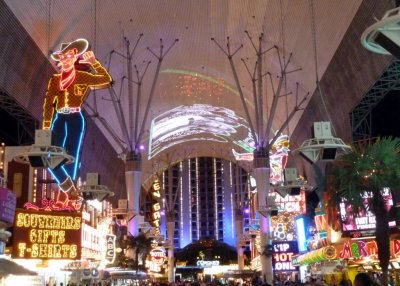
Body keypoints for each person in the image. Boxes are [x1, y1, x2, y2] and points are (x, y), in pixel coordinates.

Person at [42, 38, 112, 210]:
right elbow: (49, 102)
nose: (66, 59)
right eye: (62, 57)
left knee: (71, 159)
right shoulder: (55, 80)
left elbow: (106, 80)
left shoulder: (82, 76)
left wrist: (94, 63)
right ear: (60, 60)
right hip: (59, 119)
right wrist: (46, 125)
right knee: (51, 158)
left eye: (69, 56)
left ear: (74, 58)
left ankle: (64, 197)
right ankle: (70, 190)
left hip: (75, 118)